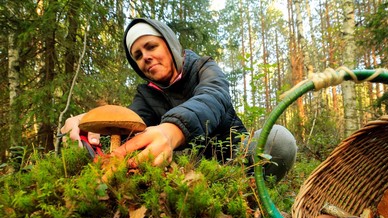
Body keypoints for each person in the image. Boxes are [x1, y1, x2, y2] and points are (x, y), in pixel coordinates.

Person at [60, 18, 297, 182]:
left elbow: (213, 97)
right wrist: (85, 122)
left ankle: (251, 206)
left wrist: (170, 131)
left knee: (279, 140)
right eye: (138, 56)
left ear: (170, 45)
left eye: (151, 46)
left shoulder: (204, 67)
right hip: (186, 173)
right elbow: (127, 127)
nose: (146, 58)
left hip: (234, 158)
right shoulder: (146, 94)